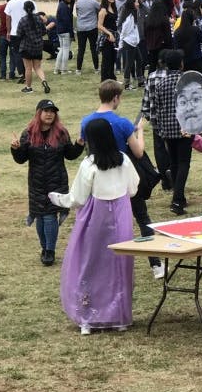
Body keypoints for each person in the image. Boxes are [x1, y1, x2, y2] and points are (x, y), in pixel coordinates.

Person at [50, 118, 139, 334]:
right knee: (119, 264)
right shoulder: (124, 160)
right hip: (121, 214)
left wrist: (57, 199)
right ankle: (118, 316)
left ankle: (88, 318)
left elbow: (78, 198)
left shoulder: (89, 164)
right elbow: (133, 188)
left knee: (90, 263)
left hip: (96, 216)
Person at [80, 79, 163, 279]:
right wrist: (140, 131)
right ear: (116, 98)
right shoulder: (123, 123)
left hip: (99, 180)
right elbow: (139, 152)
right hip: (123, 177)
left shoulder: (86, 122)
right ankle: (156, 264)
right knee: (142, 218)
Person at [11, 99, 84, 266]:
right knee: (40, 216)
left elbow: (70, 155)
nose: (50, 113)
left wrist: (79, 145)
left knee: (50, 216)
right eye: (46, 110)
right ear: (39, 113)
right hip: (36, 182)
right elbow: (21, 159)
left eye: (52, 111)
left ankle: (49, 250)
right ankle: (44, 248)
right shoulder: (28, 133)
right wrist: (15, 149)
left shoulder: (61, 133)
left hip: (56, 181)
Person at [141, 50, 190, 215]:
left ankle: (179, 195)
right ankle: (177, 198)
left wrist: (159, 128)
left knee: (174, 162)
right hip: (184, 128)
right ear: (181, 64)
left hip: (167, 129)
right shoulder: (186, 81)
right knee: (184, 163)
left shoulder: (161, 84)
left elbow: (155, 108)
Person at [17, 1, 51, 95]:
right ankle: (43, 81)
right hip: (38, 46)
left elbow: (19, 34)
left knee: (28, 68)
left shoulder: (23, 20)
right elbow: (44, 31)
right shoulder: (39, 18)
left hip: (27, 46)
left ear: (24, 9)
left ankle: (28, 87)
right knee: (38, 67)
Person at [96, 0, 119, 81]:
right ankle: (105, 80)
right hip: (106, 38)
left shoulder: (114, 8)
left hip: (114, 36)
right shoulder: (103, 10)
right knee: (106, 60)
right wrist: (109, 34)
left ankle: (112, 79)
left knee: (113, 59)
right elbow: (99, 25)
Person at [54, 0, 74, 75]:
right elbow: (67, 21)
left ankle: (57, 69)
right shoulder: (65, 7)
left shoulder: (61, 5)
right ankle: (64, 70)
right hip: (65, 31)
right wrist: (71, 33)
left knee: (61, 49)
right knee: (66, 50)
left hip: (60, 31)